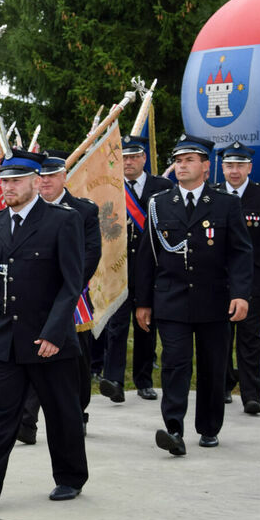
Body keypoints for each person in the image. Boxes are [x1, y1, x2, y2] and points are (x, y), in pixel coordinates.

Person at [0, 149, 87, 509]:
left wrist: (55, 332)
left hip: (48, 338)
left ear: (34, 181)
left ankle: (70, 477)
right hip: (4, 339)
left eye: (13, 181)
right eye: (3, 181)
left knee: (61, 412)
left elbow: (71, 284)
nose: (6, 187)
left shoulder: (62, 221)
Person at [135, 134, 253, 455]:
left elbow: (241, 253)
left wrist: (241, 294)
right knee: (175, 363)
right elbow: (148, 256)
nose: (181, 165)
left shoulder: (226, 204)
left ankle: (209, 427)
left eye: (189, 160)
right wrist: (143, 302)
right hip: (171, 299)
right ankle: (174, 428)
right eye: (178, 160)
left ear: (205, 165)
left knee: (213, 366)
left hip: (215, 301)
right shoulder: (159, 204)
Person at [18, 150, 101, 443]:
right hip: (33, 301)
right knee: (32, 356)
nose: (45, 182)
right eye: (40, 177)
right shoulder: (27, 212)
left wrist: (68, 285)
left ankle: (78, 413)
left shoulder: (84, 211)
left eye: (52, 175)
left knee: (75, 360)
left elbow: (91, 254)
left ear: (65, 176)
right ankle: (27, 421)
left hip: (72, 298)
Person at [216, 142, 260, 414]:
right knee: (220, 336)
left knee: (249, 337)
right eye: (230, 165)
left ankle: (251, 394)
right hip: (218, 280)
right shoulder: (213, 195)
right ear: (222, 168)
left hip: (253, 280)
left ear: (250, 167)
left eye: (240, 165)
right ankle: (222, 387)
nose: (235, 171)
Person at [101, 136, 172, 403]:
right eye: (124, 158)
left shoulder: (162, 186)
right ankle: (114, 380)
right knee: (116, 325)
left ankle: (143, 380)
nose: (128, 162)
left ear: (144, 159)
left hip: (150, 267)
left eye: (133, 157)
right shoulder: (110, 185)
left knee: (145, 324)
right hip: (118, 266)